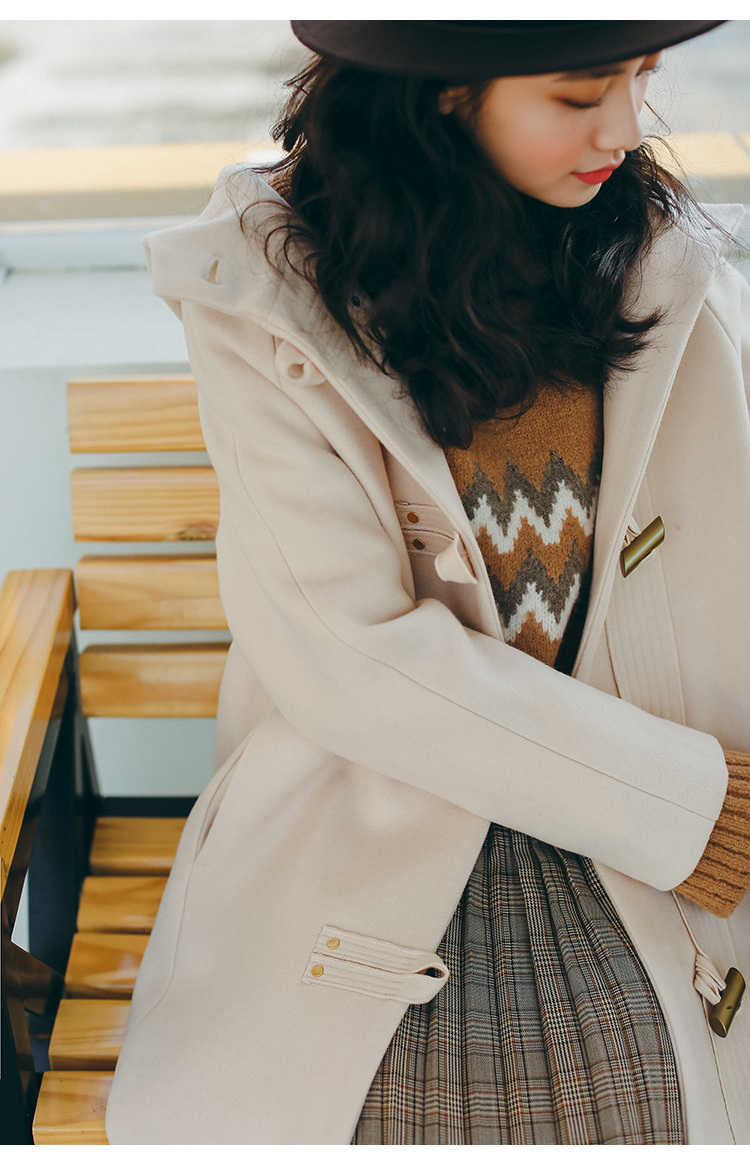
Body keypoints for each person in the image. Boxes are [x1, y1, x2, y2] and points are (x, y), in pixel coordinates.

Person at [105, 20, 750, 1145]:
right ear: (445, 89)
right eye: (578, 95)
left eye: (641, 79)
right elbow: (350, 653)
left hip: (662, 825)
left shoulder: (665, 258)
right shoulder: (266, 293)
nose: (626, 130)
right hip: (398, 821)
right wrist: (696, 813)